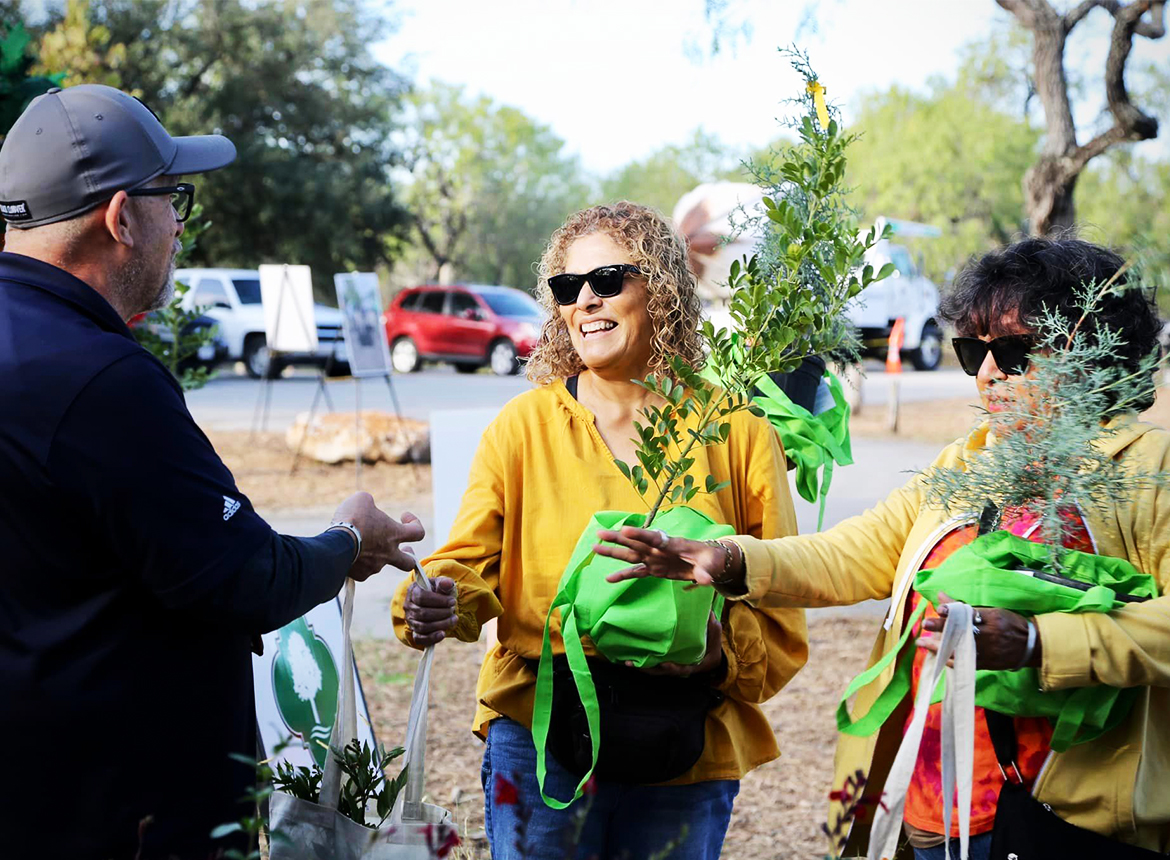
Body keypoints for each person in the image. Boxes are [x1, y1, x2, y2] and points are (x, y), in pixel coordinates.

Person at [594, 238, 1170, 857]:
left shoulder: (1146, 471)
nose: (987, 373)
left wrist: (1036, 643)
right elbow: (855, 552)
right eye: (973, 350)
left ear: (1090, 353)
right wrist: (730, 560)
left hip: (1062, 820)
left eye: (1015, 352)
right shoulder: (965, 465)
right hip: (930, 810)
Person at [0, 85, 425, 859]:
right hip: (123, 815)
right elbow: (244, 577)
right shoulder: (97, 378)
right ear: (122, 217)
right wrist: (346, 539)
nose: (181, 227)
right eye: (175, 199)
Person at [393, 202, 809, 860]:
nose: (585, 300)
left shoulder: (737, 432)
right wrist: (435, 601)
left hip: (685, 749)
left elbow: (782, 607)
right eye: (567, 287)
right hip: (540, 738)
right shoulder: (522, 429)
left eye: (608, 280)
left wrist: (712, 653)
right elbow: (466, 567)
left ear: (663, 288)